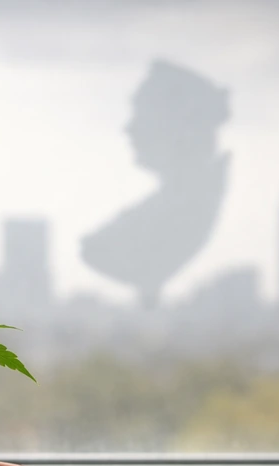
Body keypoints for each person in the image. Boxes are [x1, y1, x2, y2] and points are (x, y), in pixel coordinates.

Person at [80, 60, 230, 307]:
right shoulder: (180, 203)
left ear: (181, 125)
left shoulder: (185, 209)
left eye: (141, 115)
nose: (128, 129)